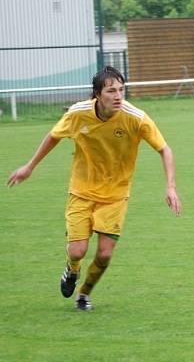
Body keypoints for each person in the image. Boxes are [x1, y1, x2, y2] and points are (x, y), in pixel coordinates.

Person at [6, 66, 182, 311]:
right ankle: (72, 268)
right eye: (111, 91)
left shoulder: (136, 117)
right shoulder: (78, 114)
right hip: (81, 191)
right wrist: (30, 166)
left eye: (121, 90)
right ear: (97, 94)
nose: (118, 96)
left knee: (104, 255)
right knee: (78, 251)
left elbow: (165, 149)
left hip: (115, 195)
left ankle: (84, 294)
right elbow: (54, 135)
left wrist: (170, 187)